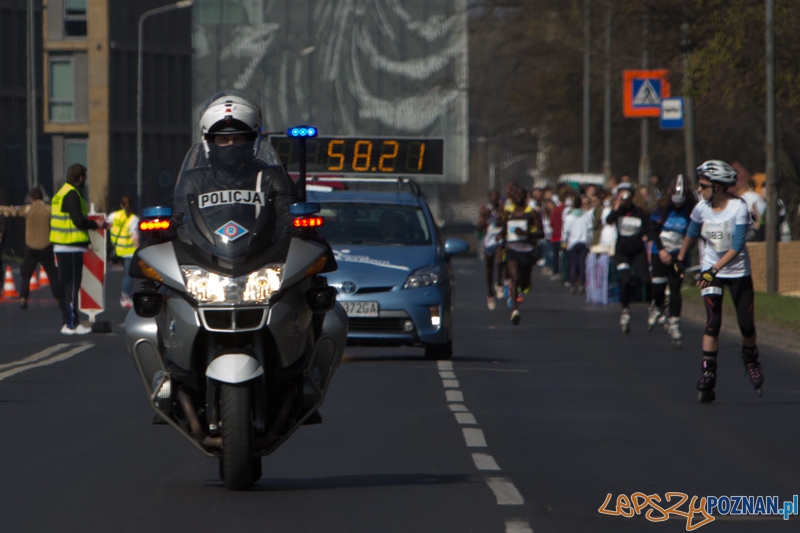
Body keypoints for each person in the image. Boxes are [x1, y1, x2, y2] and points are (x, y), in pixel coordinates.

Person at [675, 160, 763, 403]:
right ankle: (708, 373)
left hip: (737, 272)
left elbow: (737, 246)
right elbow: (691, 232)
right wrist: (680, 258)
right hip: (711, 269)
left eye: (703, 186)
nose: (699, 190)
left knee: (746, 325)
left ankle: (751, 359)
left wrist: (712, 271)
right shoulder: (701, 208)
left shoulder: (738, 208)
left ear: (719, 187)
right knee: (713, 322)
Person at [172, 90, 296, 241]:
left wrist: (296, 221)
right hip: (205, 251)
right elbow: (178, 215)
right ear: (210, 143)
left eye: (238, 139)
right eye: (223, 140)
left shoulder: (270, 177)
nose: (230, 145)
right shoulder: (194, 180)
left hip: (262, 250)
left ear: (250, 142)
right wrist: (166, 225)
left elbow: (287, 210)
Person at [51, 163, 109, 335]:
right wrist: (96, 224)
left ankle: (67, 322)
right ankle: (72, 324)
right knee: (72, 285)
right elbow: (78, 220)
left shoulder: (61, 193)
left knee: (65, 285)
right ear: (81, 178)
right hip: (72, 246)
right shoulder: (72, 194)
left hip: (62, 245)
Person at [647, 174, 697, 348]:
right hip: (660, 251)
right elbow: (653, 231)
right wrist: (661, 250)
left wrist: (682, 255)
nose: (677, 205)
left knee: (675, 288)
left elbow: (692, 234)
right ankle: (658, 306)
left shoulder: (690, 209)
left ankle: (675, 322)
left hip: (678, 253)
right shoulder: (661, 207)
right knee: (659, 287)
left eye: (680, 202)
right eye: (675, 202)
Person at [606, 182, 650, 333]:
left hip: (637, 250)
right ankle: (625, 309)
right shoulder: (618, 211)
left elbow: (647, 228)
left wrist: (646, 236)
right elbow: (608, 220)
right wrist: (617, 207)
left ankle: (653, 305)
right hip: (622, 252)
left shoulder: (638, 211)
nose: (625, 198)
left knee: (645, 279)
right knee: (625, 279)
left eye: (627, 195)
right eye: (622, 194)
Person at [501, 184, 543, 325]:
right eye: (516, 194)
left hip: (527, 250)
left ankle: (525, 284)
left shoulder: (531, 213)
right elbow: (503, 229)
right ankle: (515, 311)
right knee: (515, 278)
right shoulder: (508, 213)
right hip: (512, 250)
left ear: (526, 197)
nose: (518, 196)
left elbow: (541, 233)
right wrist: (501, 236)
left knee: (523, 283)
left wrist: (527, 233)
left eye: (521, 194)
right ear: (512, 198)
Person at [107, 194, 140, 308]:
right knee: (128, 275)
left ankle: (124, 297)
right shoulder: (133, 219)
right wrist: (138, 251)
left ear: (120, 205)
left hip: (116, 250)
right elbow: (134, 236)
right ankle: (124, 297)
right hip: (128, 251)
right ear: (131, 205)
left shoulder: (113, 216)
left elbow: (107, 227)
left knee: (126, 274)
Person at [477, 188, 504, 309]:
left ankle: (499, 283)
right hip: (488, 241)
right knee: (489, 269)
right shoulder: (485, 210)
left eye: (496, 195)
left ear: (499, 197)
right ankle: (490, 294)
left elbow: (506, 222)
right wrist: (485, 219)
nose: (494, 198)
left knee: (500, 259)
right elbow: (478, 228)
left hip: (499, 239)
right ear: (489, 198)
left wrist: (501, 229)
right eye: (492, 196)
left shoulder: (502, 208)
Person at [562, 192, 593, 296]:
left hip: (573, 243)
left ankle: (572, 284)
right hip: (584, 242)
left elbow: (566, 231)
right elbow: (590, 231)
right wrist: (590, 242)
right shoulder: (586, 216)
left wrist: (564, 242)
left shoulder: (569, 217)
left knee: (573, 264)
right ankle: (582, 284)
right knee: (582, 264)